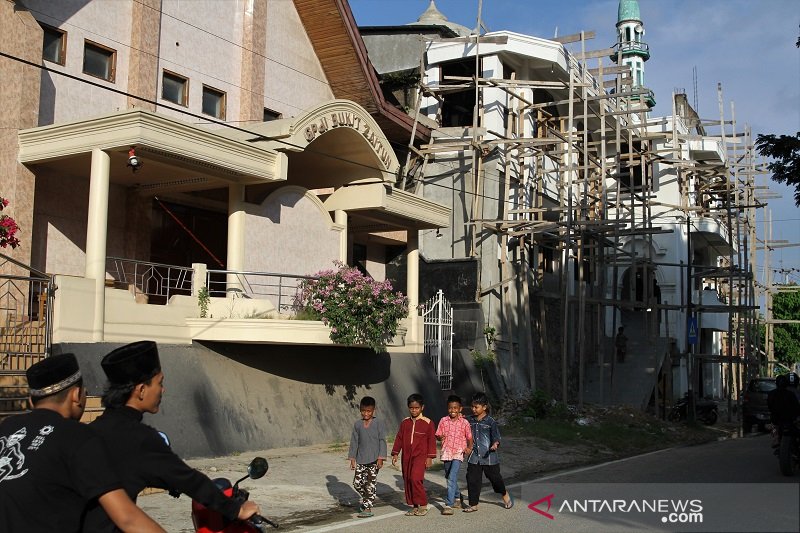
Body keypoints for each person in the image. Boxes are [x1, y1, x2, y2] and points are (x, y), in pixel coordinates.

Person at [82, 341, 259, 532]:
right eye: (160, 383)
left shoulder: (90, 431)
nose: (163, 390)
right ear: (141, 390)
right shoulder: (141, 439)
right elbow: (190, 480)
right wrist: (236, 510)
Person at [0, 353, 165, 533]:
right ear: (77, 395)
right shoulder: (78, 436)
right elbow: (127, 518)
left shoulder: (7, 427)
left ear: (32, 401)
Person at [463, 392, 512, 513]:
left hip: (489, 456)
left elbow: (496, 437)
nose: (473, 409)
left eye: (476, 407)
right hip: (474, 456)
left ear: (484, 407)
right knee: (472, 479)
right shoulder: (469, 420)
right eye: (472, 407)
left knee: (495, 479)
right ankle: (473, 504)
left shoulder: (491, 422)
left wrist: (495, 444)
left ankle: (504, 494)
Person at [391, 393, 436, 517]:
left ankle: (423, 504)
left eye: (416, 408)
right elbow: (399, 438)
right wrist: (395, 453)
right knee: (408, 479)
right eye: (411, 408)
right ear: (408, 407)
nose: (414, 410)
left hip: (420, 456)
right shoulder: (405, 423)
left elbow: (431, 441)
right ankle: (414, 506)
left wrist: (430, 457)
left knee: (416, 479)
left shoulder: (428, 423)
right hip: (406, 456)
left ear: (422, 407)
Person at [347, 396, 387, 519]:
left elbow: (382, 441)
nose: (366, 413)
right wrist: (352, 458)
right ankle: (367, 499)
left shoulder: (378, 423)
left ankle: (368, 508)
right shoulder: (357, 424)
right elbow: (354, 442)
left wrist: (381, 458)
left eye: (369, 411)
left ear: (373, 410)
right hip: (361, 459)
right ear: (360, 410)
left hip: (374, 460)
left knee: (370, 484)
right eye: (363, 411)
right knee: (357, 483)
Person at [435, 394, 472, 515]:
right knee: (448, 476)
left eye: (455, 408)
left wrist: (469, 447)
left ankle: (449, 504)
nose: (453, 410)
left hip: (458, 452)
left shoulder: (465, 422)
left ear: (460, 408)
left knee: (452, 477)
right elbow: (438, 434)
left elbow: (469, 437)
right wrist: (440, 437)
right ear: (447, 408)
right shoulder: (443, 420)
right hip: (446, 452)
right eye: (450, 408)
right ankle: (457, 497)